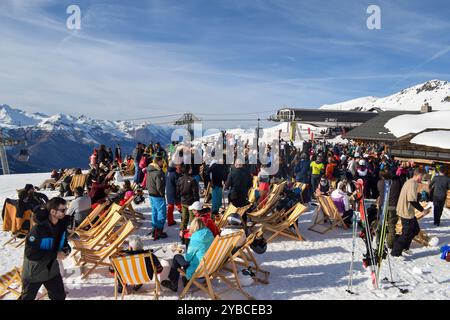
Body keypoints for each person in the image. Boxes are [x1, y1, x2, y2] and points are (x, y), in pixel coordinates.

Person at [18, 198, 71, 300]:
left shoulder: (61, 226)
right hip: (34, 272)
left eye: (66, 209)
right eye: (63, 210)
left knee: (59, 296)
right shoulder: (38, 230)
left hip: (52, 270)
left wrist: (66, 249)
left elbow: (64, 242)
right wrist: (55, 255)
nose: (65, 212)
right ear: (53, 211)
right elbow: (31, 253)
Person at [160, 218, 214, 292]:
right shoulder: (209, 233)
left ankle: (173, 284)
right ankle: (185, 280)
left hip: (198, 268)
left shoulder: (196, 238)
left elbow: (188, 258)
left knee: (177, 257)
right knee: (185, 257)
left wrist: (182, 253)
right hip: (209, 265)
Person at [391, 169, 431, 257]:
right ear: (419, 175)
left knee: (415, 229)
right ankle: (395, 252)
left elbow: (412, 198)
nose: (422, 179)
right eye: (423, 177)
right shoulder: (412, 184)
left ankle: (405, 247)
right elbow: (412, 200)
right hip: (406, 212)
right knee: (406, 233)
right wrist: (422, 210)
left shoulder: (410, 181)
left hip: (409, 212)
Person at [376, 169, 401, 249]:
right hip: (393, 206)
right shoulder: (396, 183)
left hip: (383, 206)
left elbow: (379, 191)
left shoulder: (380, 183)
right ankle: (390, 243)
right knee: (391, 226)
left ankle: (379, 241)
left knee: (381, 224)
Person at [146, 156, 168, 240]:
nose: (163, 163)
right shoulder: (158, 172)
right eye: (162, 162)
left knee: (154, 212)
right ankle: (158, 231)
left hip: (151, 194)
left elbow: (147, 182)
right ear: (158, 162)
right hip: (158, 195)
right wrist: (162, 194)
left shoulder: (149, 170)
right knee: (161, 213)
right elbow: (159, 186)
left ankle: (154, 228)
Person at [177, 164, 200, 235]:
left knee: (184, 218)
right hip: (191, 203)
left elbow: (177, 191)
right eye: (190, 168)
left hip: (183, 201)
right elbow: (195, 193)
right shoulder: (192, 180)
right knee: (192, 219)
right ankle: (194, 234)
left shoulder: (180, 179)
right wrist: (197, 202)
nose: (191, 169)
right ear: (188, 170)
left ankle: (182, 232)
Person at [166, 161, 181, 226]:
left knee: (170, 207)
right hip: (175, 192)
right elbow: (178, 184)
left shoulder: (167, 172)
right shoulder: (175, 174)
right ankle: (184, 218)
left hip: (168, 192)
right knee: (180, 206)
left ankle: (170, 221)